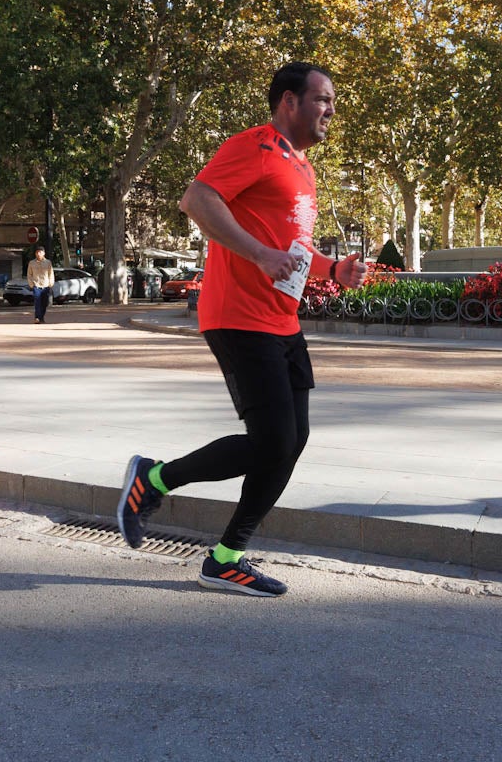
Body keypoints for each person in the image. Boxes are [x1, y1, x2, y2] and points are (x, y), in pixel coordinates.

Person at [115, 61, 366, 596]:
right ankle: (152, 480)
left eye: (332, 101)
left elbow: (292, 249)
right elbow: (197, 199)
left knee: (290, 442)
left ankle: (226, 557)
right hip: (237, 314)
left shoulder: (302, 168)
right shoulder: (255, 145)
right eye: (322, 98)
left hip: (281, 318)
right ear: (288, 102)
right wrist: (257, 254)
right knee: (273, 438)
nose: (330, 110)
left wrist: (332, 270)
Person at [26, 245, 54, 324]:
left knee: (44, 303)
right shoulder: (32, 263)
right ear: (35, 254)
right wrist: (31, 284)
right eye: (37, 252)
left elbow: (51, 273)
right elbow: (29, 274)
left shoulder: (48, 262)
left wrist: (50, 283)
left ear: (44, 253)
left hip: (45, 286)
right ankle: (37, 317)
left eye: (40, 252)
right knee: (37, 302)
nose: (39, 254)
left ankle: (41, 317)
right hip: (36, 286)